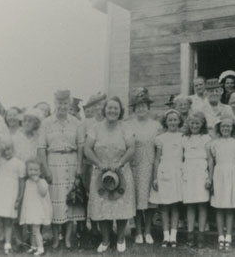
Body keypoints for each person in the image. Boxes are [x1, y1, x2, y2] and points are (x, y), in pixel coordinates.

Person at [84, 96, 136, 253]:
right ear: (104, 110)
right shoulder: (95, 128)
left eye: (116, 108)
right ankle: (105, 240)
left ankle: (120, 238)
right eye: (109, 107)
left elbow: (131, 149)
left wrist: (119, 163)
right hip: (100, 173)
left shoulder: (125, 127)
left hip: (121, 171)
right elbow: (87, 149)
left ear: (120, 111)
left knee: (121, 206)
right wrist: (99, 164)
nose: (112, 110)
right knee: (102, 206)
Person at [38, 90, 85, 249]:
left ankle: (68, 238)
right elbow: (41, 148)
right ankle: (56, 238)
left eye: (65, 103)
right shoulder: (46, 123)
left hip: (71, 162)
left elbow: (80, 147)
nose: (62, 106)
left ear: (69, 104)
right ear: (55, 103)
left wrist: (79, 167)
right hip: (54, 162)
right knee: (55, 201)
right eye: (59, 103)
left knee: (71, 200)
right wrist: (46, 169)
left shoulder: (76, 123)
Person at [126, 88, 161, 245]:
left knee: (150, 199)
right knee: (137, 198)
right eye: (138, 106)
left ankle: (148, 230)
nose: (141, 109)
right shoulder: (128, 125)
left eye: (144, 105)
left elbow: (159, 147)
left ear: (148, 107)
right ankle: (138, 231)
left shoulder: (156, 125)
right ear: (134, 109)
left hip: (151, 163)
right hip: (134, 165)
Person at [208, 116, 235, 250]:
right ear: (219, 128)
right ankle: (220, 236)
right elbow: (211, 163)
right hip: (219, 174)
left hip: (232, 174)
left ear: (233, 128)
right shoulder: (214, 143)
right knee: (219, 207)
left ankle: (228, 236)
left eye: (228, 126)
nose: (225, 128)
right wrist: (210, 179)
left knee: (229, 207)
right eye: (223, 126)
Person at [0, 137, 26, 255]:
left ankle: (8, 244)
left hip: (10, 194)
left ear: (13, 149)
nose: (6, 152)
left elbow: (21, 181)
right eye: (4, 151)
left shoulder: (19, 163)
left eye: (9, 149)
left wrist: (20, 197)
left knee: (8, 221)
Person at [149, 109, 183, 248]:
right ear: (166, 122)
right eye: (170, 120)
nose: (173, 122)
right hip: (164, 171)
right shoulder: (161, 138)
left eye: (175, 119)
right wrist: (155, 178)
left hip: (178, 172)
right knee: (164, 207)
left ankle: (173, 237)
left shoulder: (183, 137)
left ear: (179, 121)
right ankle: (165, 236)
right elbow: (157, 159)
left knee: (175, 206)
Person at [181, 111, 211, 248]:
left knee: (202, 204)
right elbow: (181, 157)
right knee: (190, 205)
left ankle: (201, 236)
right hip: (188, 173)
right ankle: (190, 235)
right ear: (188, 123)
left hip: (201, 173)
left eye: (197, 123)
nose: (194, 125)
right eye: (192, 123)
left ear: (202, 124)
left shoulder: (206, 138)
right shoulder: (184, 138)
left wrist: (209, 177)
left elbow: (210, 159)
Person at [20, 158, 52, 256]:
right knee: (31, 230)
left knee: (36, 230)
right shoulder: (27, 182)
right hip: (30, 209)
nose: (33, 172)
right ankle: (33, 246)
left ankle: (40, 248)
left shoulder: (42, 181)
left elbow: (43, 193)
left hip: (38, 210)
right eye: (30, 170)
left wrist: (38, 181)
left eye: (35, 170)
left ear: (40, 171)